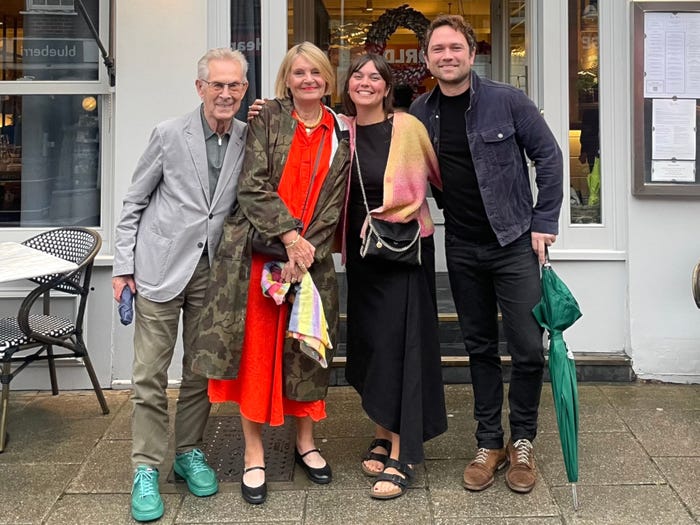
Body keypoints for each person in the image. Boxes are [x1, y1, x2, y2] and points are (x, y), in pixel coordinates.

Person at [190, 42, 351, 506]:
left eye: (315, 73)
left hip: (310, 261)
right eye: (299, 72)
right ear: (287, 78)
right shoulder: (266, 120)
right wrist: (287, 238)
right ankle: (254, 453)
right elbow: (252, 186)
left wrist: (305, 252)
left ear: (327, 79)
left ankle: (305, 443)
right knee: (258, 357)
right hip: (260, 258)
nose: (308, 80)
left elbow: (334, 203)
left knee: (305, 352)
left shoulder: (340, 130)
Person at [410, 15, 564, 494]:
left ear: (470, 54)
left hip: (515, 242)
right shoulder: (420, 110)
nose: (447, 56)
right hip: (462, 244)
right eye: (438, 49)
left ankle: (522, 442)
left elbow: (550, 157)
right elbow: (403, 165)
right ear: (428, 58)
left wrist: (544, 221)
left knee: (526, 347)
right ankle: (489, 442)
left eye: (455, 47)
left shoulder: (507, 101)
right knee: (477, 347)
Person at [112, 48, 249, 522]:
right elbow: (133, 201)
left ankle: (188, 452)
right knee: (149, 374)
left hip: (213, 274)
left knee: (199, 371)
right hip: (158, 267)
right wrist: (122, 267)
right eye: (218, 84)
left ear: (244, 90)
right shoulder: (169, 134)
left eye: (235, 85)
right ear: (200, 88)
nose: (226, 93)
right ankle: (145, 468)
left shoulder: (248, 139)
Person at [339, 53, 447, 500]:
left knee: (403, 347)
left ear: (387, 88)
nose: (366, 83)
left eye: (375, 78)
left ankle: (403, 454)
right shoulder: (338, 130)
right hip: (362, 255)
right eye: (358, 75)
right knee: (374, 346)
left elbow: (442, 179)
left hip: (403, 251)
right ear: (347, 85)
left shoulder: (408, 128)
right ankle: (383, 432)